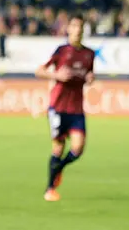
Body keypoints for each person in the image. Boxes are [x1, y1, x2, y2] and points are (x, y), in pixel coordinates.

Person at [35, 14, 95, 202]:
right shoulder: (61, 51)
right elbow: (39, 71)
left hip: (77, 109)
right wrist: (56, 76)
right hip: (59, 107)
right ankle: (50, 189)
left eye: (81, 27)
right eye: (74, 26)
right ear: (68, 29)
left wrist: (90, 78)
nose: (78, 30)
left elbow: (88, 74)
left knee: (78, 148)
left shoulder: (89, 54)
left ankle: (59, 168)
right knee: (58, 148)